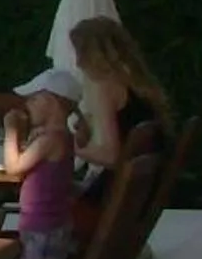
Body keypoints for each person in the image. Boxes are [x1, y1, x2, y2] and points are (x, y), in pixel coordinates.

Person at [66, 16, 170, 196]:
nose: (77, 62)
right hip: (138, 192)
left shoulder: (106, 86)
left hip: (114, 196)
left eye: (79, 53)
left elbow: (110, 155)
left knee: (43, 193)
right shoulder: (137, 83)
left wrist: (69, 146)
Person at [3, 67, 82, 259]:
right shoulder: (62, 136)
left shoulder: (49, 140)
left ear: (50, 102)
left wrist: (11, 130)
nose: (28, 105)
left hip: (42, 223)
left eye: (34, 100)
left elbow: (13, 167)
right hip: (54, 220)